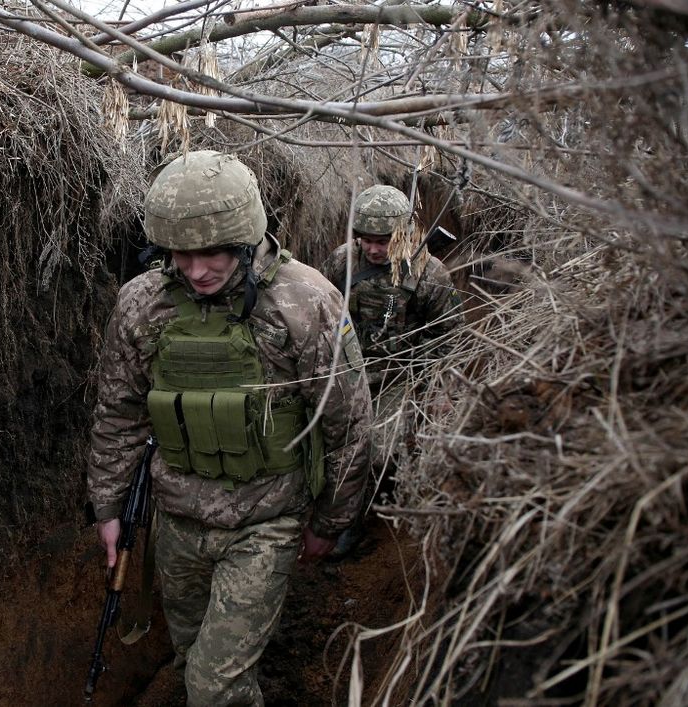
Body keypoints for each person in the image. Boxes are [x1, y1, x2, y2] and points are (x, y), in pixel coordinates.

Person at [87, 150, 372, 706]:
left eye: (212, 252)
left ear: (245, 238)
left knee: (214, 687)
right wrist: (108, 508)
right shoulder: (141, 305)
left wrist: (331, 519)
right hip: (177, 521)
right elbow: (118, 413)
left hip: (266, 521)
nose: (196, 270)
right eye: (182, 253)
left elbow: (347, 422)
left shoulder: (305, 301)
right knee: (194, 655)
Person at [318, 184, 462, 558]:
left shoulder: (430, 274)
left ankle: (359, 521)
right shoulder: (340, 263)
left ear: (402, 235)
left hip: (398, 376)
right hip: (348, 371)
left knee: (375, 452)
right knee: (328, 442)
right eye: (366, 239)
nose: (374, 248)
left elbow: (449, 338)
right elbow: (318, 313)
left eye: (383, 240)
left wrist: (438, 389)